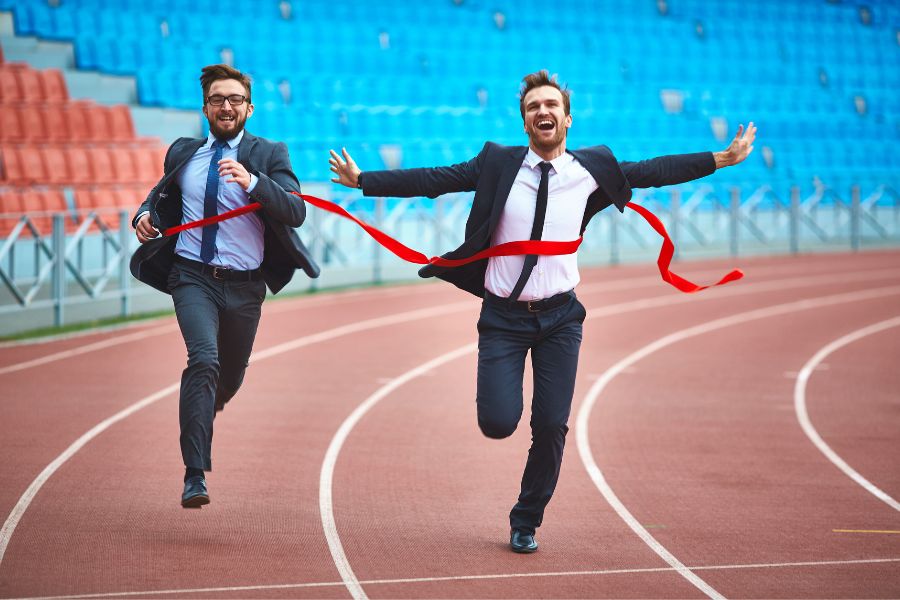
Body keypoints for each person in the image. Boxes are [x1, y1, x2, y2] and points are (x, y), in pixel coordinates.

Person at [329, 70, 755, 553]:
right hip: (503, 319)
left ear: (567, 118)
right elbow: (434, 180)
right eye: (533, 107)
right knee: (497, 424)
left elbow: (653, 171)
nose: (543, 112)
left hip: (560, 319)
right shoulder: (496, 163)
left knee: (551, 424)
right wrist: (364, 180)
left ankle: (525, 520)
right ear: (524, 121)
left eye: (551, 105)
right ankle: (508, 449)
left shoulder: (593, 168)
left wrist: (720, 159)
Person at [131, 64, 319, 508]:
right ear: (205, 108)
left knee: (229, 376)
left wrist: (252, 182)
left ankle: (206, 407)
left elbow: (295, 211)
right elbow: (161, 198)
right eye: (218, 99)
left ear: (249, 108)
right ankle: (194, 473)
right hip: (191, 274)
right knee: (204, 360)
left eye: (235, 99)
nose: (226, 106)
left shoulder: (270, 154)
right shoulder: (183, 152)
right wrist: (145, 217)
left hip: (245, 287)